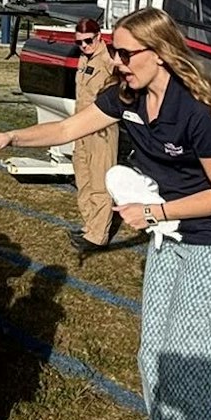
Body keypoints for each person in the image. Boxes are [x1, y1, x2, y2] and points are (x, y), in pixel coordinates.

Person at [0, 7, 211, 420]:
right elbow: (70, 129)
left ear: (161, 53)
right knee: (153, 353)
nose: (116, 61)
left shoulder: (196, 110)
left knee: (190, 356)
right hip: (170, 235)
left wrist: (154, 210)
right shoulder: (127, 95)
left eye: (125, 53)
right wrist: (11, 137)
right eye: (114, 51)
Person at [70, 19, 120, 256]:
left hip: (101, 128)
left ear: (99, 36)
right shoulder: (85, 58)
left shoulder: (109, 57)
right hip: (81, 126)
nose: (84, 46)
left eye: (88, 40)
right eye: (79, 42)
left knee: (100, 181)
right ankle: (89, 224)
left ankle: (98, 235)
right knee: (83, 176)